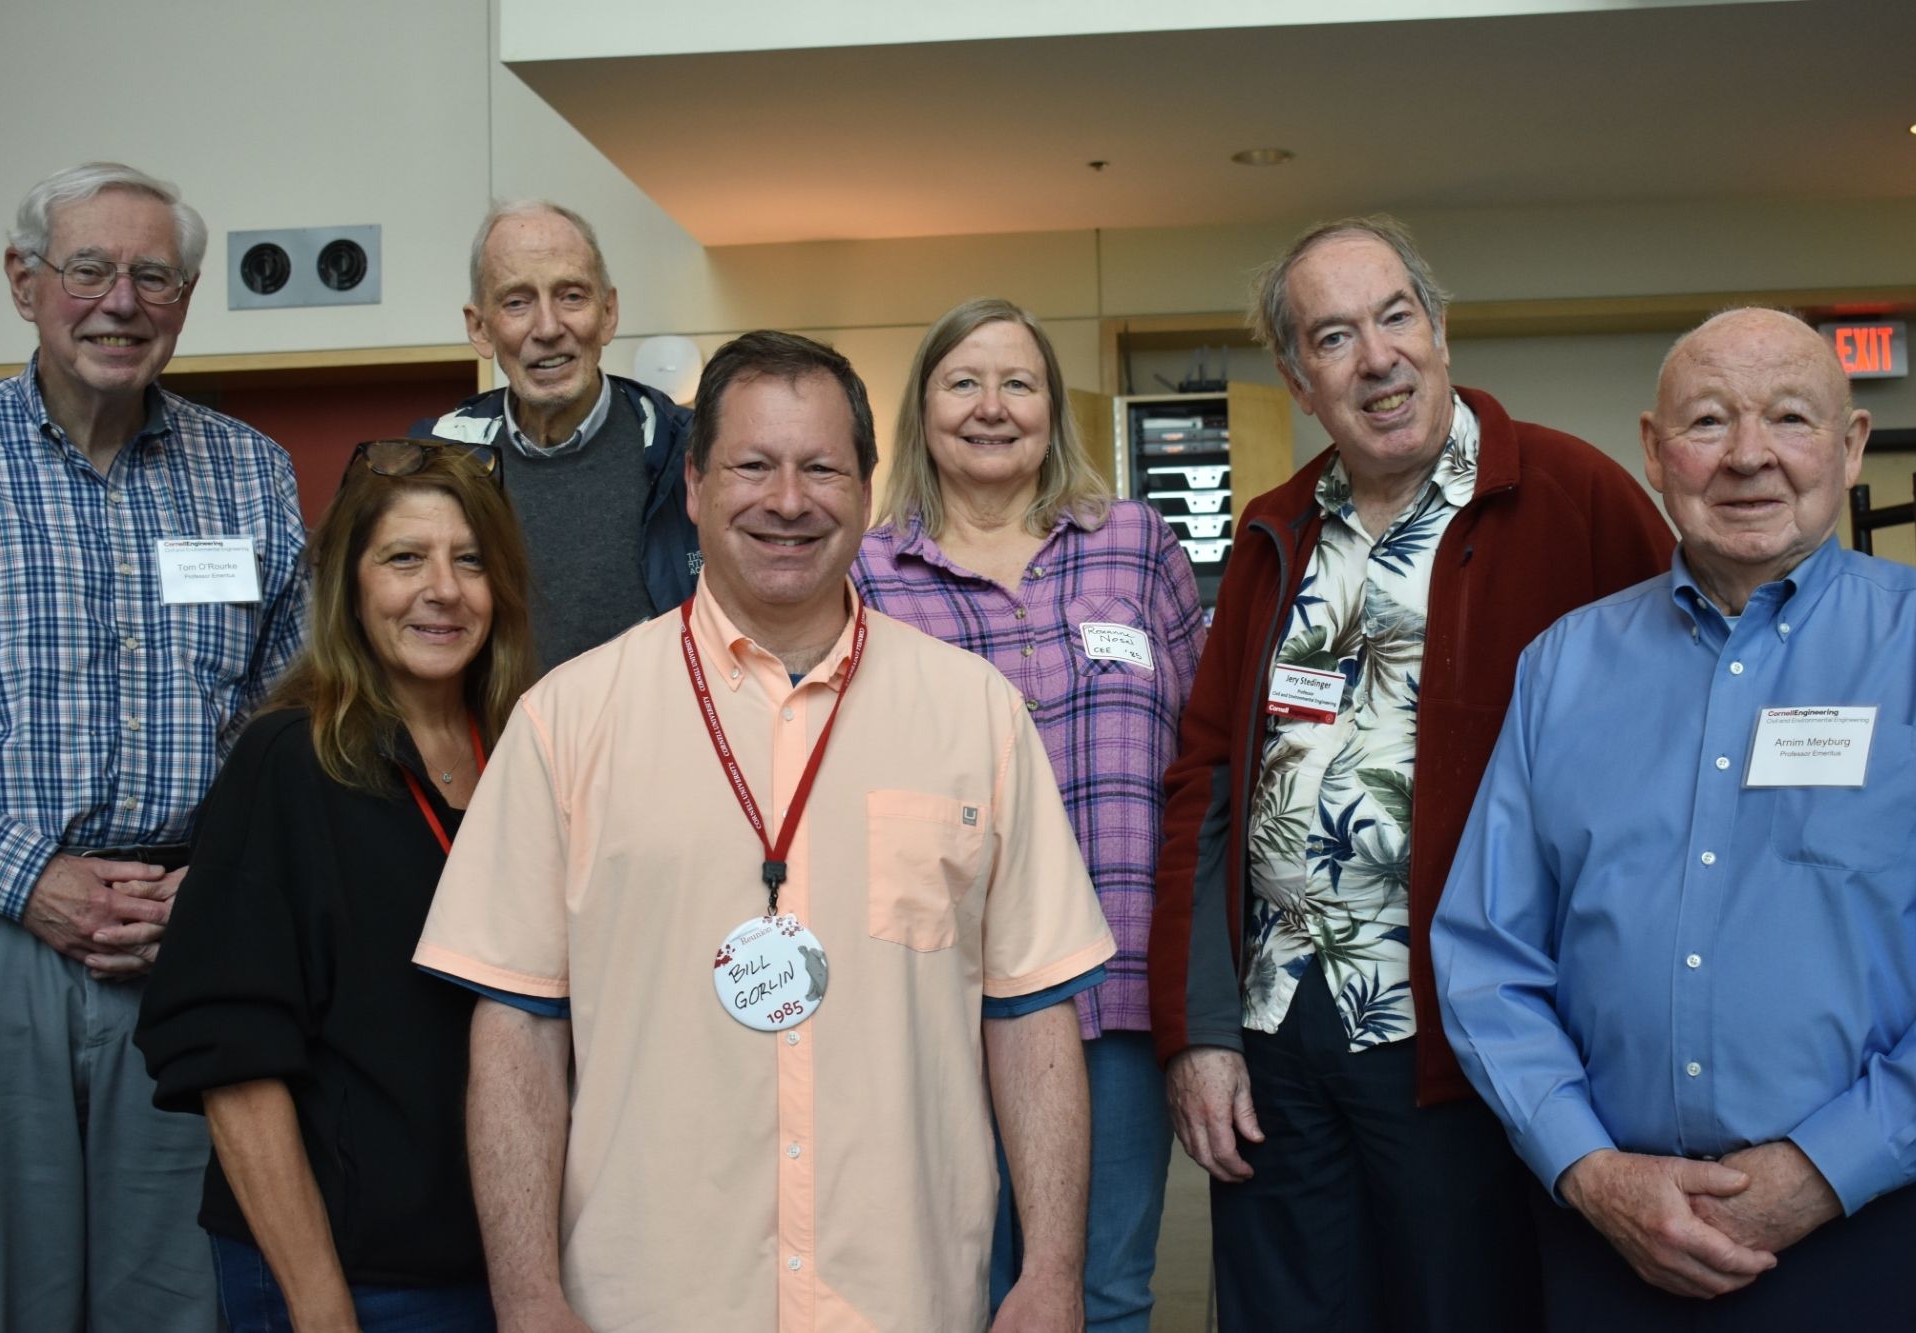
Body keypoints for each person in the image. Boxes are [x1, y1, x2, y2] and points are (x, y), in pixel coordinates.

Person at [413, 330, 1116, 1331]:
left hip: (901, 1295)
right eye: (751, 464)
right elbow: (518, 1033)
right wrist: (527, 1294)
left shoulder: (975, 715)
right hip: (647, 1299)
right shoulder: (568, 721)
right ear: (693, 486)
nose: (788, 500)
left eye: (822, 466)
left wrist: (1051, 1272)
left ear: (867, 489)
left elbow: (1032, 1018)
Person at [1148, 214, 1676, 1331]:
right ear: (1299, 379)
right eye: (1334, 337)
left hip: (1465, 1041)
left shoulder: (1574, 498)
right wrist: (1200, 1030)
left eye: (1394, 317)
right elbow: (1204, 784)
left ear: (1438, 331)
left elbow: (1683, 731)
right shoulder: (1273, 530)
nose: (1376, 356)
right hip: (1279, 1026)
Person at [1433, 307, 1916, 1330]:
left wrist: (1822, 1172)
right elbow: (1483, 953)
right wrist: (1591, 1171)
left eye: (1788, 418)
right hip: (1608, 1243)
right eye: (1704, 422)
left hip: (1881, 1234)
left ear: (1851, 446)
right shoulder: (1561, 666)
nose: (1746, 457)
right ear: (1652, 451)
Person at [0, 161, 309, 1330]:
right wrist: (30, 879)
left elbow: (293, 724)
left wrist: (208, 884)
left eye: (153, 277)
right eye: (88, 270)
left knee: (172, 1294)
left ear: (184, 300)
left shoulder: (252, 473)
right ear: (25, 283)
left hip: (188, 940)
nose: (120, 301)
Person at [853, 297, 1202, 1331]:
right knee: (948, 1289)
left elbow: (1199, 763)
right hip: (936, 996)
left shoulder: (1133, 545)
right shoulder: (865, 573)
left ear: (1055, 409)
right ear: (920, 410)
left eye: (1018, 382)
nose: (991, 406)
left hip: (1116, 990)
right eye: (962, 382)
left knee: (1101, 1290)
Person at [136, 442, 536, 1330]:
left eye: (470, 560)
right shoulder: (289, 761)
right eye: (404, 558)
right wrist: (319, 1307)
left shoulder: (528, 756)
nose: (443, 588)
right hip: (348, 1283)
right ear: (349, 586)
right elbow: (233, 1064)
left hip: (510, 1271)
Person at [415, 199, 698, 669]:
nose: (548, 328)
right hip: (497, 742)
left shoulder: (687, 452)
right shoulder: (436, 466)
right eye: (517, 302)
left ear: (608, 313)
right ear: (480, 328)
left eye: (571, 296)